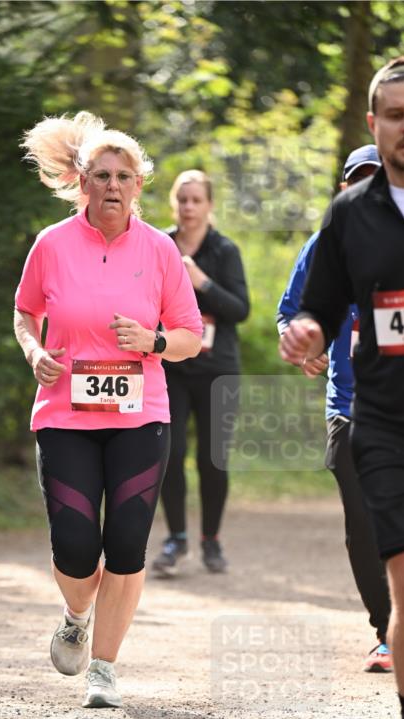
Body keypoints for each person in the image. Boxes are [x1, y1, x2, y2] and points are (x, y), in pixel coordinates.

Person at [14, 111, 203, 708]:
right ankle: (75, 614)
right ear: (82, 182)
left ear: (139, 184)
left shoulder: (161, 251)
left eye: (124, 176)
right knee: (74, 545)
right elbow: (24, 312)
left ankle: (104, 667)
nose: (113, 186)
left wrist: (152, 342)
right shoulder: (51, 245)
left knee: (125, 544)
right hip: (65, 413)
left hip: (140, 414)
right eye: (101, 175)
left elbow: (190, 336)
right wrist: (35, 348)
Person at [279, 56, 404, 719]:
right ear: (372, 125)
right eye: (394, 117)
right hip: (383, 420)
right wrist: (303, 329)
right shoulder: (350, 215)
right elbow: (317, 304)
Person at [277, 144, 392, 674]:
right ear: (343, 187)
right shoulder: (324, 244)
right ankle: (387, 629)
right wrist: (303, 341)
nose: (365, 187)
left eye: (376, 177)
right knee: (364, 523)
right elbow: (290, 312)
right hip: (349, 406)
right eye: (356, 179)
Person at [151, 169, 249, 577]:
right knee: (169, 456)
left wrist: (202, 282)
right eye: (183, 200)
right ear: (174, 203)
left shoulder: (224, 250)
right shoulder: (158, 245)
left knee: (213, 459)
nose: (189, 207)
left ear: (209, 205)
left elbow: (240, 310)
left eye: (197, 200)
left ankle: (211, 540)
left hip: (217, 370)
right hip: (170, 367)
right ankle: (176, 539)